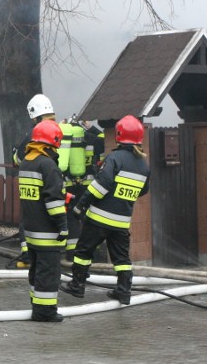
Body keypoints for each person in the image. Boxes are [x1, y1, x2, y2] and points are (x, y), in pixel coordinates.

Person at [61, 115, 151, 305]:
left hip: (99, 219)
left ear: (119, 135)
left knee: (84, 252)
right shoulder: (143, 165)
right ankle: (124, 292)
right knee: (121, 258)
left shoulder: (115, 158)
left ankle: (77, 286)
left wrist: (81, 205)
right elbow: (143, 190)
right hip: (121, 221)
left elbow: (100, 185)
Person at [18, 119, 68, 322]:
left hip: (31, 231)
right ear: (53, 141)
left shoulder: (26, 162)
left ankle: (36, 305)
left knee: (36, 270)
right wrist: (63, 226)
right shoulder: (48, 165)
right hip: (47, 233)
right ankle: (45, 312)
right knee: (48, 273)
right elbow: (53, 202)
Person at [12, 93, 58, 268]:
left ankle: (28, 256)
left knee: (29, 217)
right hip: (55, 181)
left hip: (34, 182)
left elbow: (19, 158)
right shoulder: (59, 128)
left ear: (35, 115)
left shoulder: (34, 132)